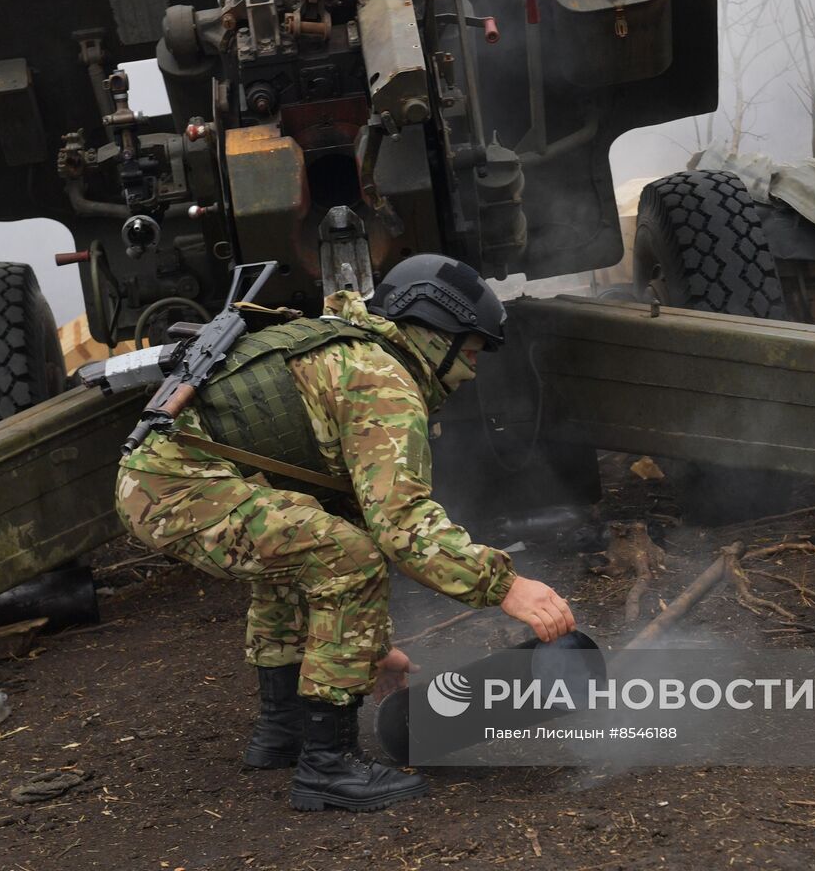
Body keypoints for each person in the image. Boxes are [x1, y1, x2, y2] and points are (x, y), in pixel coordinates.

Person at [115, 254, 576, 812]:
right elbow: (401, 528)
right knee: (348, 559)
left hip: (164, 481)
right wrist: (506, 587)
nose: (472, 371)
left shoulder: (353, 348)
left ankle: (283, 733)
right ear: (434, 335)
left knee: (307, 542)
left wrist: (373, 648)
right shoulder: (384, 383)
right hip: (177, 488)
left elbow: (353, 508)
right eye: (471, 352)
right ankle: (328, 766)